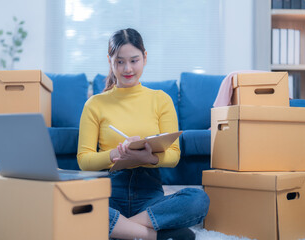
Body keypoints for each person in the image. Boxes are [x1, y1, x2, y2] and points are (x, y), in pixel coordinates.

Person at [77, 28, 209, 240]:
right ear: (110, 61)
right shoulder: (95, 104)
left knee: (198, 199)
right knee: (79, 205)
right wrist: (116, 154)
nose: (127, 68)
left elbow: (174, 155)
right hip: (110, 191)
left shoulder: (161, 99)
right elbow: (84, 161)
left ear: (145, 58)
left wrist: (149, 158)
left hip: (149, 195)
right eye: (119, 61)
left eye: (134, 60)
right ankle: (152, 235)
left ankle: (120, 230)